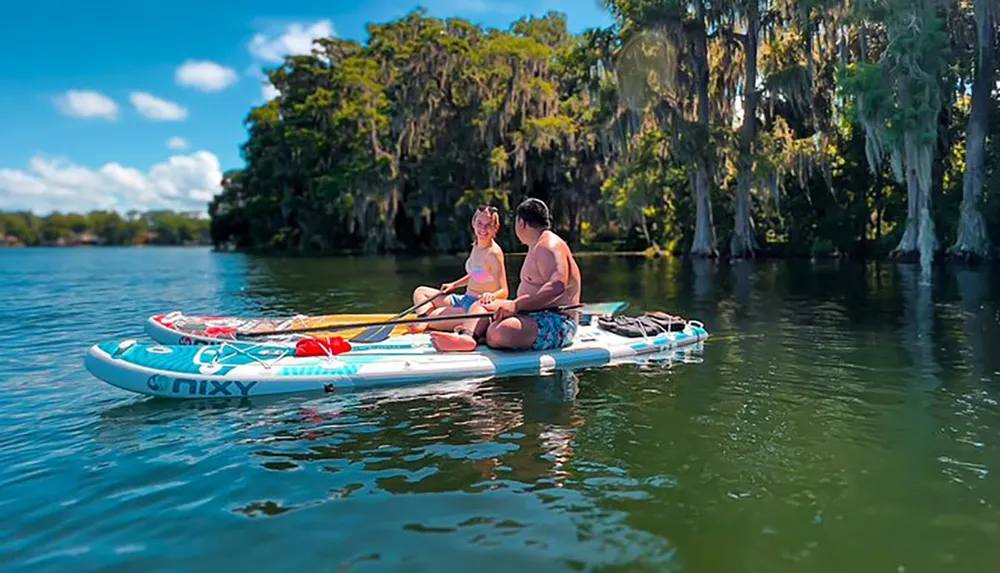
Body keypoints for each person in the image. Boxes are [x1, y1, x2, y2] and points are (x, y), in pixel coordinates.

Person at [430, 198, 581, 352]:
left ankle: (483, 333)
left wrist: (516, 305)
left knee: (499, 332)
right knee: (482, 304)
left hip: (558, 321)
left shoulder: (548, 245)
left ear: (521, 222)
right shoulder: (536, 245)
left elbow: (557, 286)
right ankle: (467, 337)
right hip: (530, 313)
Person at [408, 205, 508, 333]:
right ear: (473, 223)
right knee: (420, 292)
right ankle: (425, 321)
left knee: (435, 314)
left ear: (496, 227)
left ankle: (428, 321)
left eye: (489, 225)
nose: (483, 228)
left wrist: (491, 295)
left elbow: (504, 291)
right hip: (464, 299)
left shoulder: (494, 253)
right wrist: (454, 285)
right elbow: (477, 275)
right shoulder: (477, 244)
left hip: (475, 307)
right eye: (480, 223)